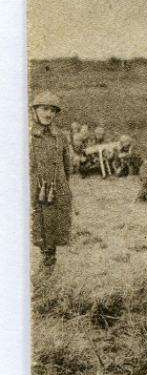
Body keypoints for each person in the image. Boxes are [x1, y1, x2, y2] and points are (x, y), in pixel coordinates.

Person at [29, 90, 74, 271]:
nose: (48, 114)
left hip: (55, 188)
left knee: (52, 223)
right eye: (44, 109)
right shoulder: (26, 134)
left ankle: (49, 262)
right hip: (32, 186)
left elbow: (66, 164)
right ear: (35, 110)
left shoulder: (60, 136)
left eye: (53, 111)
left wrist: (63, 185)